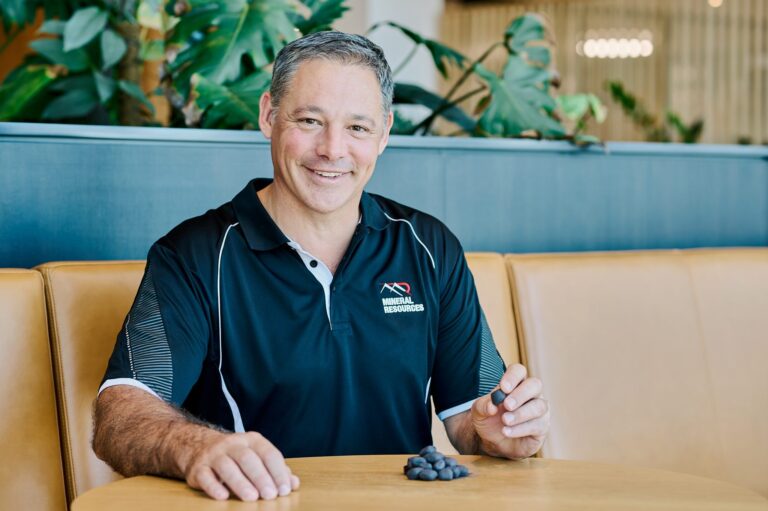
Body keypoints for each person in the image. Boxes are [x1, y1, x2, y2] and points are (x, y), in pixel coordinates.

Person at [92, 31, 550, 502]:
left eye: (358, 128)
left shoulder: (428, 247)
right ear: (269, 115)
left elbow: (472, 419)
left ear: (384, 133)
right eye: (310, 120)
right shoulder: (195, 255)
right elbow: (121, 412)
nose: (333, 149)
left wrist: (503, 430)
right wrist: (196, 447)